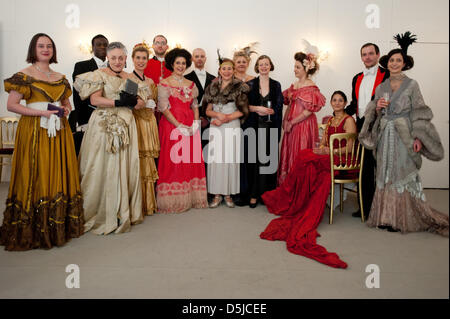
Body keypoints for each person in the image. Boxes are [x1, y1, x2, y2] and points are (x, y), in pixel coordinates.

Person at [359, 32, 448, 236]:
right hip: (384, 137)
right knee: (384, 174)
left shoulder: (412, 85)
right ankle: (384, 217)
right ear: (387, 63)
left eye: (399, 60)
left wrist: (418, 137)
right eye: (392, 60)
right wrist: (378, 107)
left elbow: (419, 111)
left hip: (404, 136)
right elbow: (376, 112)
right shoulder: (381, 87)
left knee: (401, 173)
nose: (395, 63)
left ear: (405, 64)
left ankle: (400, 219)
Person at [1, 33, 84, 251]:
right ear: (33, 49)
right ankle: (35, 226)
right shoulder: (24, 75)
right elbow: (12, 105)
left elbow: (68, 105)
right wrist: (40, 113)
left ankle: (57, 224)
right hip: (35, 130)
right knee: (36, 171)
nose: (45, 49)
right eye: (41, 46)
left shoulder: (60, 76)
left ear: (53, 50)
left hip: (59, 130)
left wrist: (65, 110)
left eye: (49, 46)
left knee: (57, 170)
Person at [260, 91, 357, 269]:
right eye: (334, 100)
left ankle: (289, 192)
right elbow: (323, 143)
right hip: (328, 160)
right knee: (311, 165)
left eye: (340, 100)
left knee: (305, 156)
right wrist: (321, 149)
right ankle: (300, 200)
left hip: (341, 160)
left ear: (344, 103)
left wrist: (329, 152)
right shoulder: (330, 121)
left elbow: (350, 147)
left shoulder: (348, 120)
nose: (336, 103)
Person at [74, 42, 149, 235]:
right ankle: (100, 211)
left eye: (120, 58)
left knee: (124, 166)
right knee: (101, 166)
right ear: (108, 58)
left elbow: (141, 103)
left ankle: (121, 210)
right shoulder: (98, 74)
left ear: (125, 59)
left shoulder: (131, 79)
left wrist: (134, 102)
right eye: (113, 58)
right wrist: (117, 101)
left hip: (126, 124)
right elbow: (94, 100)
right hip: (103, 125)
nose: (117, 61)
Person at [156, 48, 208, 213]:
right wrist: (179, 125)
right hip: (172, 125)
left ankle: (191, 197)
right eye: (178, 63)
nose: (180, 66)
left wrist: (195, 124)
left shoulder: (190, 84)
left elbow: (195, 106)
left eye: (183, 63)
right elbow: (164, 108)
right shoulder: (164, 83)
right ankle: (173, 200)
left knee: (189, 160)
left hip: (189, 124)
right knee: (174, 161)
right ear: (172, 63)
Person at [344, 43, 389, 219]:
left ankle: (384, 209)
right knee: (365, 168)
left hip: (382, 124)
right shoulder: (357, 77)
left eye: (371, 53)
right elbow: (355, 104)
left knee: (383, 168)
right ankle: (365, 206)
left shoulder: (387, 75)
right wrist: (339, 114)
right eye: (364, 54)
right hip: (363, 126)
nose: (367, 57)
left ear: (378, 55)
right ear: (361, 57)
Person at [203, 57, 249, 208]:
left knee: (230, 159)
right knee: (216, 161)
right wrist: (216, 116)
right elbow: (207, 110)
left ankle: (228, 194)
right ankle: (216, 194)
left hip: (231, 124)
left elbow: (243, 110)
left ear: (233, 70)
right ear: (219, 71)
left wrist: (226, 118)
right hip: (216, 125)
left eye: (230, 68)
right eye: (224, 68)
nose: (227, 71)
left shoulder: (239, 87)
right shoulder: (212, 87)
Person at [238, 55, 283, 208]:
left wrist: (270, 111)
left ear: (271, 66)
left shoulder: (276, 85)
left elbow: (279, 106)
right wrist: (257, 108)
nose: (264, 67)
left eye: (266, 64)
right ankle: (253, 194)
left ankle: (267, 194)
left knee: (267, 163)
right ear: (257, 67)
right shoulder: (249, 84)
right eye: (261, 64)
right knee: (254, 162)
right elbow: (243, 106)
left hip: (270, 127)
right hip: (253, 128)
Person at [277, 52, 326, 186]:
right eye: (295, 67)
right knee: (290, 152)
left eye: (297, 67)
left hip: (303, 125)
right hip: (291, 124)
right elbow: (289, 104)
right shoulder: (295, 85)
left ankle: (300, 187)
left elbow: (308, 111)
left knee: (300, 152)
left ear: (306, 69)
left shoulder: (311, 87)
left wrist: (291, 122)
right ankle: (289, 187)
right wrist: (285, 120)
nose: (294, 69)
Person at [129, 43, 160, 216]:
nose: (141, 61)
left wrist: (153, 104)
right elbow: (129, 104)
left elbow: (153, 101)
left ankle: (150, 202)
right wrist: (141, 105)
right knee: (138, 160)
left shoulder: (150, 81)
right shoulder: (130, 80)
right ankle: (138, 203)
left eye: (144, 58)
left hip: (150, 122)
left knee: (149, 161)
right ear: (133, 60)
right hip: (137, 122)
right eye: (138, 58)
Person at [69, 34, 109, 155]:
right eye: (99, 44)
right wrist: (82, 119)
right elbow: (79, 94)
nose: (102, 47)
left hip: (109, 117)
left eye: (105, 45)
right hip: (88, 116)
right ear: (92, 47)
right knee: (89, 153)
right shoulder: (81, 66)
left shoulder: (114, 67)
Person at [184, 48, 216, 154]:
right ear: (192, 59)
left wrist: (207, 117)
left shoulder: (214, 79)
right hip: (191, 119)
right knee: (193, 151)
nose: (199, 59)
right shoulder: (185, 78)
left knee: (209, 150)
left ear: (205, 59)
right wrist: (196, 118)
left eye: (202, 56)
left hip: (210, 121)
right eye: (197, 56)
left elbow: (215, 101)